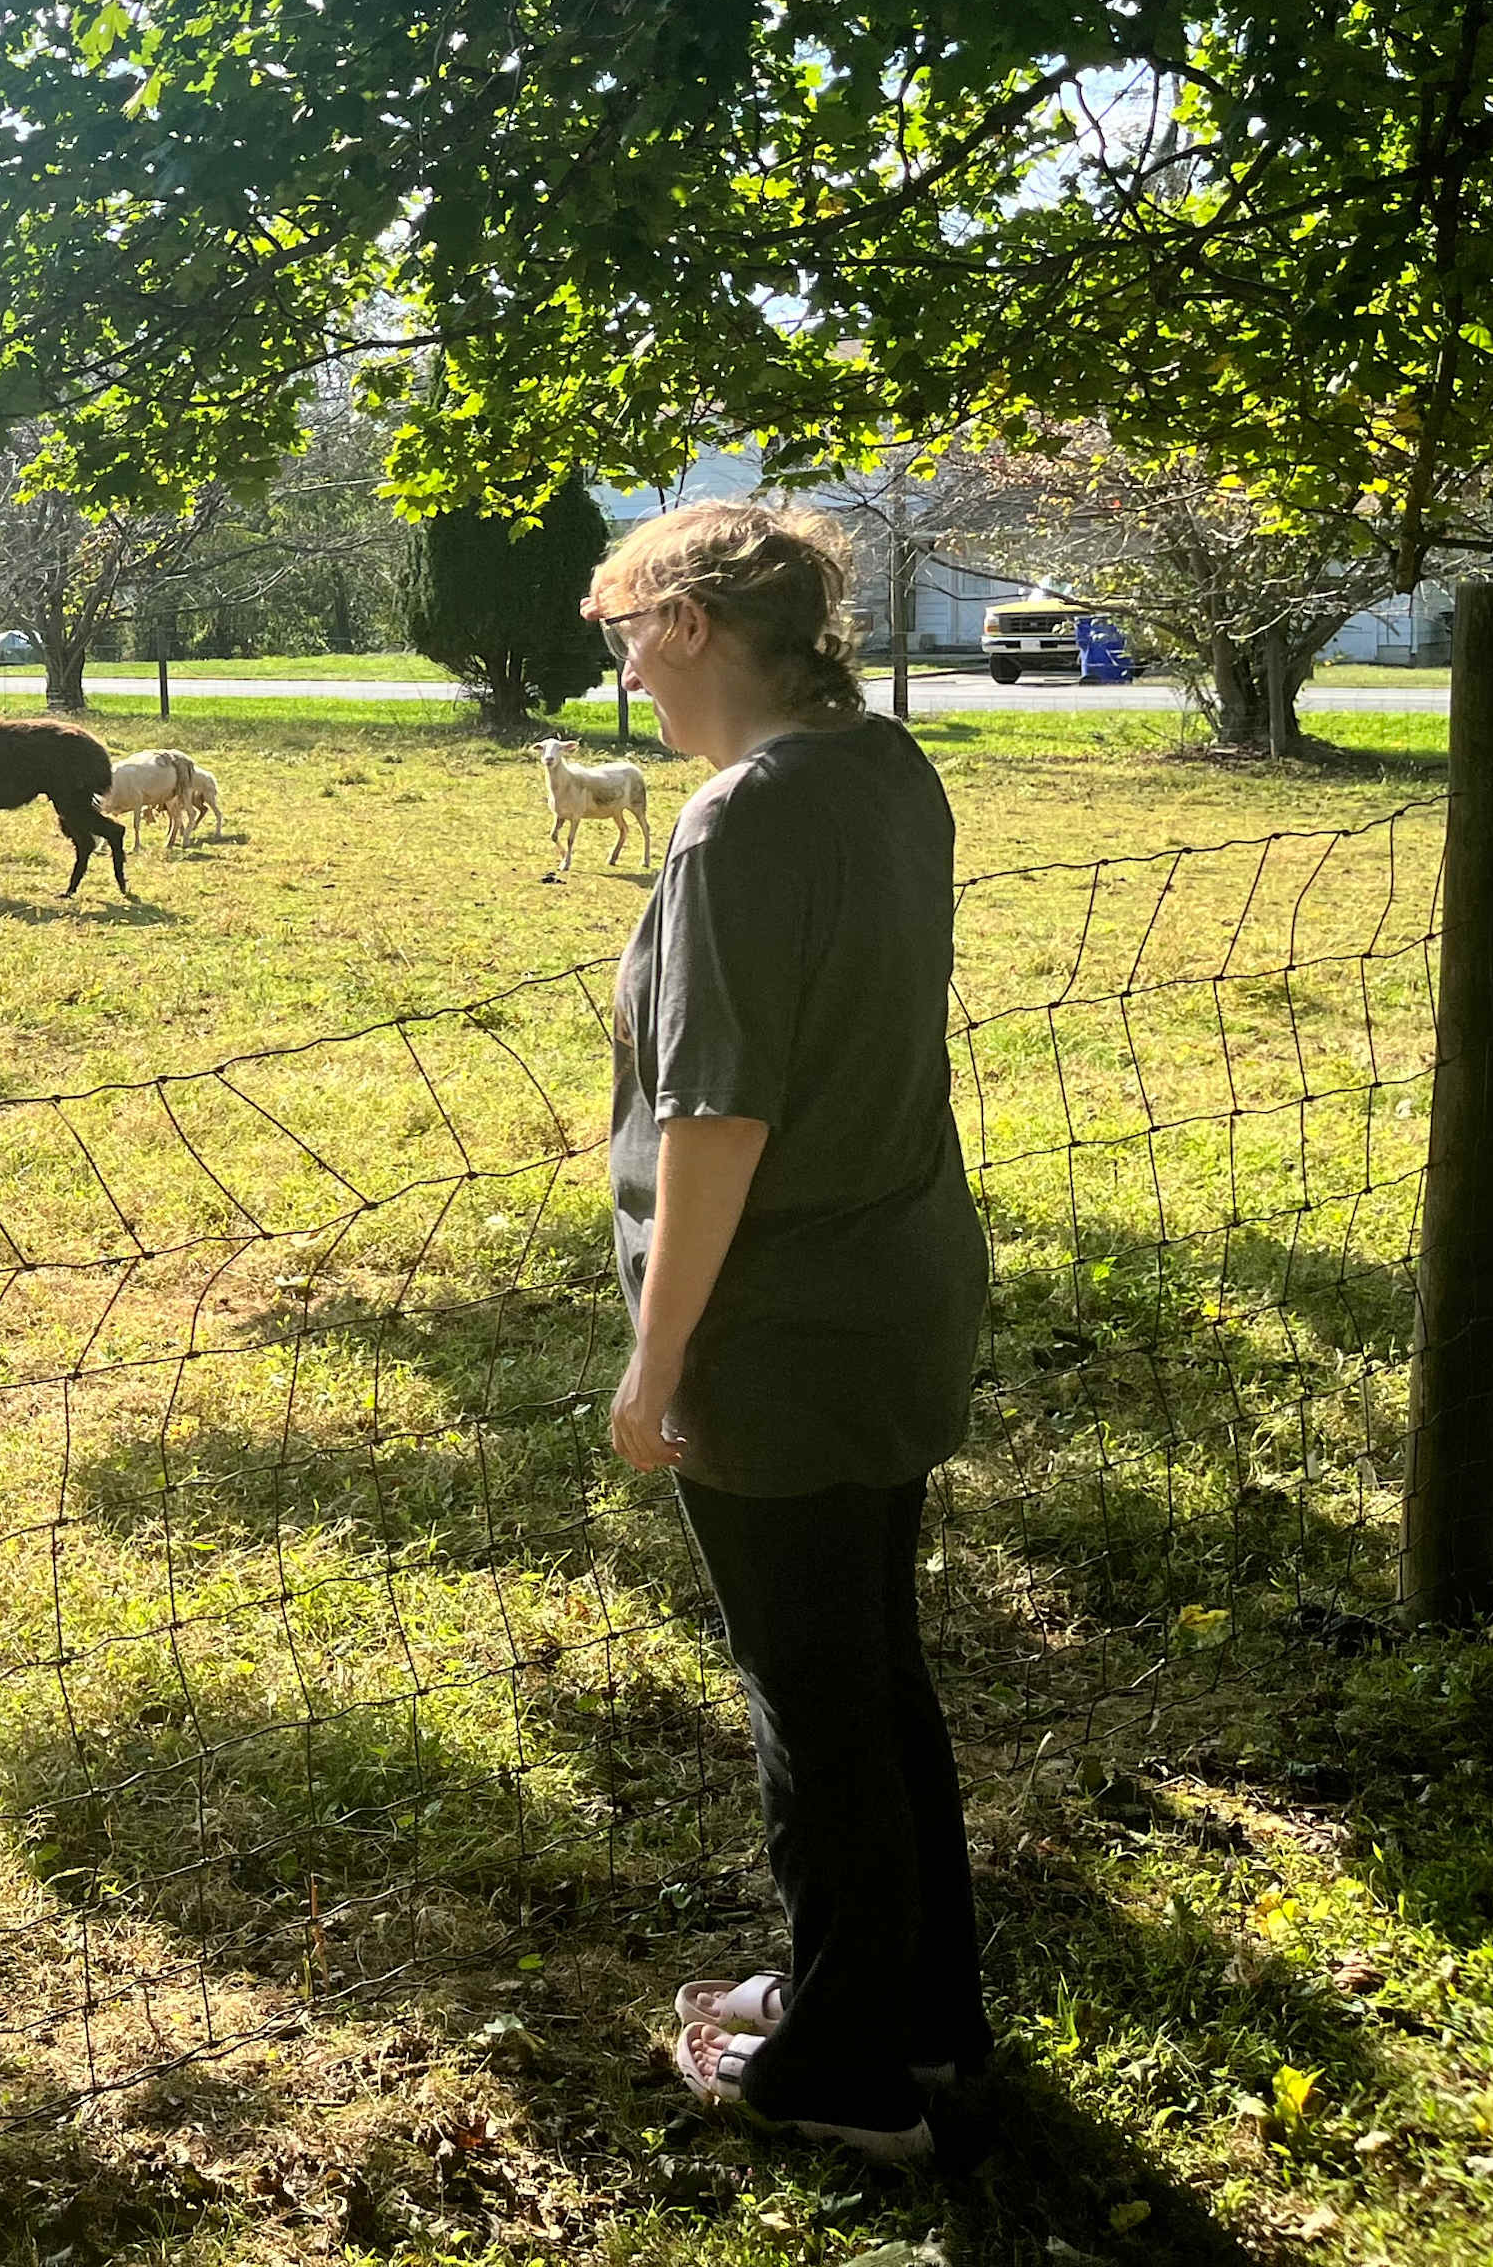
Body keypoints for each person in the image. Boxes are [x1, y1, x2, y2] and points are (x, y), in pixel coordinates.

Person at [585, 498, 990, 2164]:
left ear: (685, 620)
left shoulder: (736, 819)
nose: (620, 671)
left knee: (808, 1707)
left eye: (623, 633)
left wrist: (657, 1360)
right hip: (898, 1293)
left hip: (782, 1327)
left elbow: (716, 1121)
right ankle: (914, 2014)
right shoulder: (883, 765)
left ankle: (843, 2079)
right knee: (871, 1678)